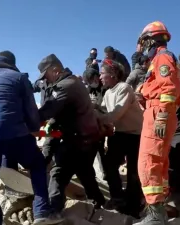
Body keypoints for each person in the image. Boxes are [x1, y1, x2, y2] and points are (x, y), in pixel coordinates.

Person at [0, 53, 63, 225]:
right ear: (12, 64)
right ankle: (42, 213)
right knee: (37, 164)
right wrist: (33, 129)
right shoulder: (18, 77)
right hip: (10, 131)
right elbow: (31, 110)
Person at [36, 54, 106, 214]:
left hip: (78, 139)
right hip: (87, 139)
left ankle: (54, 211)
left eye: (45, 75)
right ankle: (100, 203)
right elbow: (64, 113)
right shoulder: (72, 82)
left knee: (58, 173)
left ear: (54, 70)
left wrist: (24, 122)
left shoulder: (65, 86)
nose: (45, 80)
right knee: (85, 172)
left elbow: (47, 111)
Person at [136, 21, 180, 225]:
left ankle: (156, 214)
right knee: (160, 163)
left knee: (148, 162)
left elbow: (169, 88)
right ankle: (158, 209)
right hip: (156, 111)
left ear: (151, 39)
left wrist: (162, 114)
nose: (144, 47)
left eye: (145, 42)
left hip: (158, 113)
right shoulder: (158, 60)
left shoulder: (162, 57)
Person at [98, 59, 144, 218]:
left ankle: (133, 205)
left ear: (112, 74)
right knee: (109, 165)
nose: (100, 77)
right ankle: (118, 198)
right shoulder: (108, 92)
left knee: (133, 171)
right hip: (118, 134)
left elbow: (115, 115)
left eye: (102, 74)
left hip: (134, 135)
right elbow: (103, 111)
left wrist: (97, 117)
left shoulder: (124, 88)